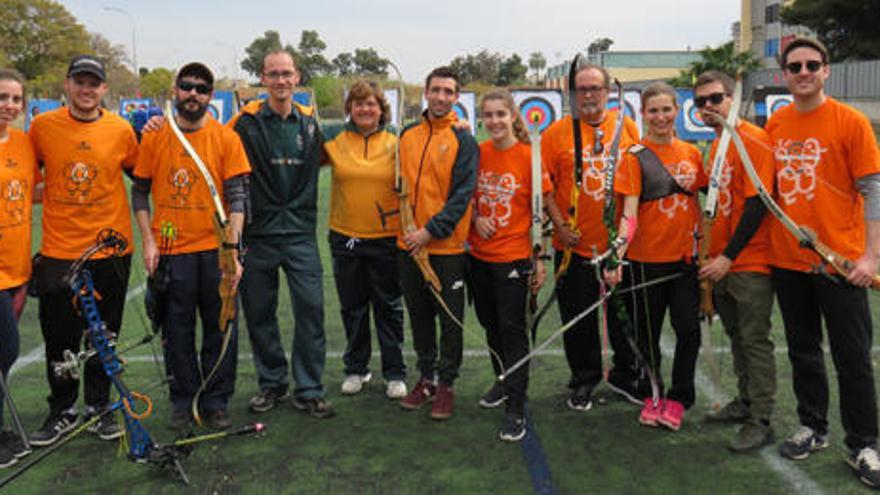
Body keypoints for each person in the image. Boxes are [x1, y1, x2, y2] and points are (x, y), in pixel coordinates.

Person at [766, 37, 880, 488]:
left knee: (853, 358)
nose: (804, 71)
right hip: (789, 261)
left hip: (841, 263)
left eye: (813, 64)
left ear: (827, 70)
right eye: (795, 66)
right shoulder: (776, 122)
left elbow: (873, 189)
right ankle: (813, 427)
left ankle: (865, 444)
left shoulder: (849, 122)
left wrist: (871, 256)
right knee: (803, 350)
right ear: (784, 75)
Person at [28, 55, 138, 446]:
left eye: (94, 83)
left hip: (111, 252)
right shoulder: (42, 127)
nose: (87, 89)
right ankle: (61, 409)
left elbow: (141, 176)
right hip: (60, 252)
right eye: (80, 81)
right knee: (60, 337)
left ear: (104, 89)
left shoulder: (122, 129)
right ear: (68, 84)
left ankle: (99, 407)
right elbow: (26, 177)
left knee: (103, 336)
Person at [132, 62, 249, 430]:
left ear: (210, 96)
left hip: (215, 251)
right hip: (171, 250)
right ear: (175, 90)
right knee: (176, 331)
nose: (193, 94)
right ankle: (183, 400)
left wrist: (231, 250)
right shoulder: (155, 136)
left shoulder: (225, 137)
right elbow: (139, 192)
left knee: (220, 328)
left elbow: (237, 196)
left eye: (201, 88)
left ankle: (216, 401)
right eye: (187, 86)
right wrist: (149, 241)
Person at [230, 50, 334, 418]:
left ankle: (309, 388)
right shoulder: (244, 122)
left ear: (297, 77)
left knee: (311, 310)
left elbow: (356, 137)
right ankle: (272, 383)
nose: (280, 80)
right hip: (259, 235)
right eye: (273, 74)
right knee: (259, 313)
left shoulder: (310, 123)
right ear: (263, 78)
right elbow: (214, 149)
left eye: (286, 73)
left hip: (301, 235)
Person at [540, 62, 641, 411]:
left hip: (617, 247)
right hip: (574, 246)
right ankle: (584, 378)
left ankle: (626, 375)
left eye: (595, 88)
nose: (588, 95)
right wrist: (559, 225)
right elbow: (546, 187)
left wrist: (623, 240)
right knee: (577, 319)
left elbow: (638, 180)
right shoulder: (556, 133)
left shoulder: (626, 127)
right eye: (581, 89)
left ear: (608, 91)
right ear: (573, 94)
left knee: (622, 316)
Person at [612, 82, 707, 431]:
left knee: (687, 330)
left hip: (684, 261)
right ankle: (653, 391)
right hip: (644, 261)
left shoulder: (692, 154)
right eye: (653, 110)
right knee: (646, 333)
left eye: (667, 109)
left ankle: (679, 398)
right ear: (643, 114)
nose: (661, 117)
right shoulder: (634, 156)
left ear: (677, 111)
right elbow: (629, 213)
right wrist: (617, 254)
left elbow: (702, 205)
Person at [694, 70, 777, 453]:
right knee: (737, 338)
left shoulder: (753, 140)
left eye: (716, 98)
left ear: (732, 98)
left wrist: (728, 257)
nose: (709, 107)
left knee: (754, 340)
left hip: (748, 263)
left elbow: (757, 204)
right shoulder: (716, 146)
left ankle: (761, 418)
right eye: (701, 102)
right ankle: (745, 402)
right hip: (721, 263)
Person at [468, 89, 551, 441]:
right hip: (478, 257)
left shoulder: (529, 156)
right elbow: (464, 196)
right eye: (488, 115)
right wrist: (475, 218)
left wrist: (541, 258)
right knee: (490, 326)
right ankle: (503, 380)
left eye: (501, 114)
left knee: (512, 329)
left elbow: (543, 209)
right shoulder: (477, 153)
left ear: (513, 116)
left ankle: (516, 404)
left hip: (514, 256)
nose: (494, 121)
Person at [397, 66, 477, 420]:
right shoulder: (407, 135)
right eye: (436, 90)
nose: (442, 97)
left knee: (450, 320)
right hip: (408, 248)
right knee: (420, 318)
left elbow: (462, 197)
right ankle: (426, 378)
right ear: (425, 93)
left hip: (445, 248)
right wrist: (410, 235)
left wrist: (429, 232)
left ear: (456, 97)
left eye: (449, 91)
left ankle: (446, 384)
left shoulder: (464, 140)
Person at [323, 80, 407, 399]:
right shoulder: (333, 139)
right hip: (346, 237)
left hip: (387, 239)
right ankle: (357, 369)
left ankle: (395, 372)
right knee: (353, 308)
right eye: (358, 103)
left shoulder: (397, 140)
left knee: (388, 307)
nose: (364, 109)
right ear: (350, 108)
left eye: (371, 103)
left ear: (381, 108)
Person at [0, 68, 38, 466]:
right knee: (5, 347)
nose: (8, 106)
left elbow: (33, 189)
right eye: (1, 97)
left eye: (15, 99)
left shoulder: (24, 143)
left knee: (5, 355)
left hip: (18, 270)